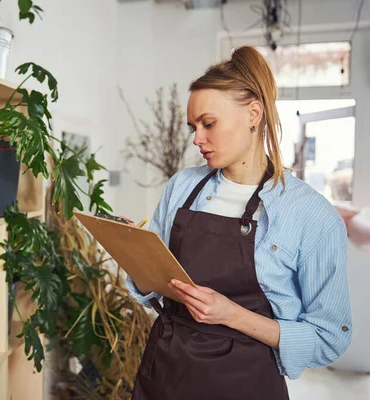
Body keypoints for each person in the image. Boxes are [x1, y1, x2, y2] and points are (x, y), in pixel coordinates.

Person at [125, 46, 352, 400]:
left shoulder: (310, 215)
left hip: (244, 384)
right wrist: (134, 251)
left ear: (253, 113)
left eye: (208, 123)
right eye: (193, 127)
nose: (197, 138)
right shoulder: (183, 186)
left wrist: (231, 314)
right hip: (165, 374)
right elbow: (155, 287)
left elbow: (329, 337)